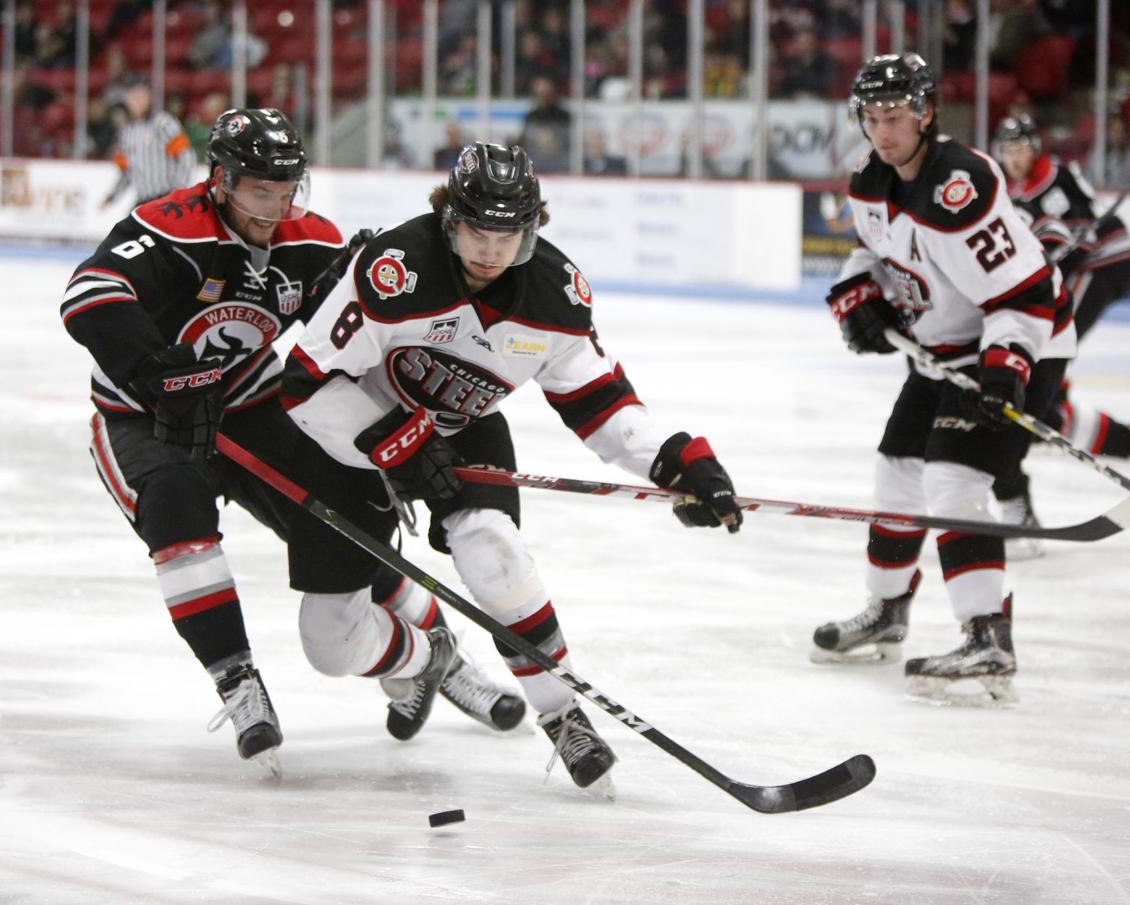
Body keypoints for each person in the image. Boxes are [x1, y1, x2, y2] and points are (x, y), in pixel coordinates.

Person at [61, 108, 525, 773]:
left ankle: (435, 658)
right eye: (259, 190)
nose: (276, 207)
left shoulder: (307, 239)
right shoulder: (170, 227)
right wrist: (153, 371)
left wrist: (408, 425)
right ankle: (237, 679)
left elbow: (352, 338)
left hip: (250, 400)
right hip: (144, 415)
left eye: (287, 190)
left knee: (341, 524)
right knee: (176, 513)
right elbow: (91, 292)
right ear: (220, 178)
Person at [281, 142, 743, 791]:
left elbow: (602, 401)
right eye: (477, 230)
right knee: (327, 643)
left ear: (531, 228)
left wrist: (677, 461)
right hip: (353, 430)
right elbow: (304, 385)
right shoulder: (395, 267)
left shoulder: (555, 295)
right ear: (451, 219)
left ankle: (562, 714)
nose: (491, 250)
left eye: (508, 233)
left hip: (464, 430)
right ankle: (425, 654)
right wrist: (399, 442)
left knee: (493, 551)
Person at [809, 53, 1076, 705]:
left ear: (926, 113)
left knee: (953, 480)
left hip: (1020, 343)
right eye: (871, 118)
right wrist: (856, 296)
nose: (882, 132)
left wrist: (1006, 367)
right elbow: (869, 253)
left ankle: (987, 635)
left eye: (895, 117)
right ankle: (888, 608)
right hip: (941, 349)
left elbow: (1027, 292)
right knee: (898, 471)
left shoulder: (960, 185)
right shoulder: (871, 180)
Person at [993, 114, 1130, 535]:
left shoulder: (1056, 178)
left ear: (1034, 148)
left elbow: (1079, 243)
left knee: (1046, 342)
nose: (1014, 157)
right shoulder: (1010, 189)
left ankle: (1055, 393)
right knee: (1045, 401)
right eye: (1007, 150)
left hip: (1105, 262)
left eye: (1020, 148)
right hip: (1082, 266)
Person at [100, 74, 195, 209]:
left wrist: (178, 191)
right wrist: (112, 197)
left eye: (140, 96)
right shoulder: (126, 132)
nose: (136, 101)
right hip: (143, 200)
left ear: (149, 96)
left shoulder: (163, 122)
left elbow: (186, 156)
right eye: (132, 96)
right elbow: (126, 173)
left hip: (165, 196)